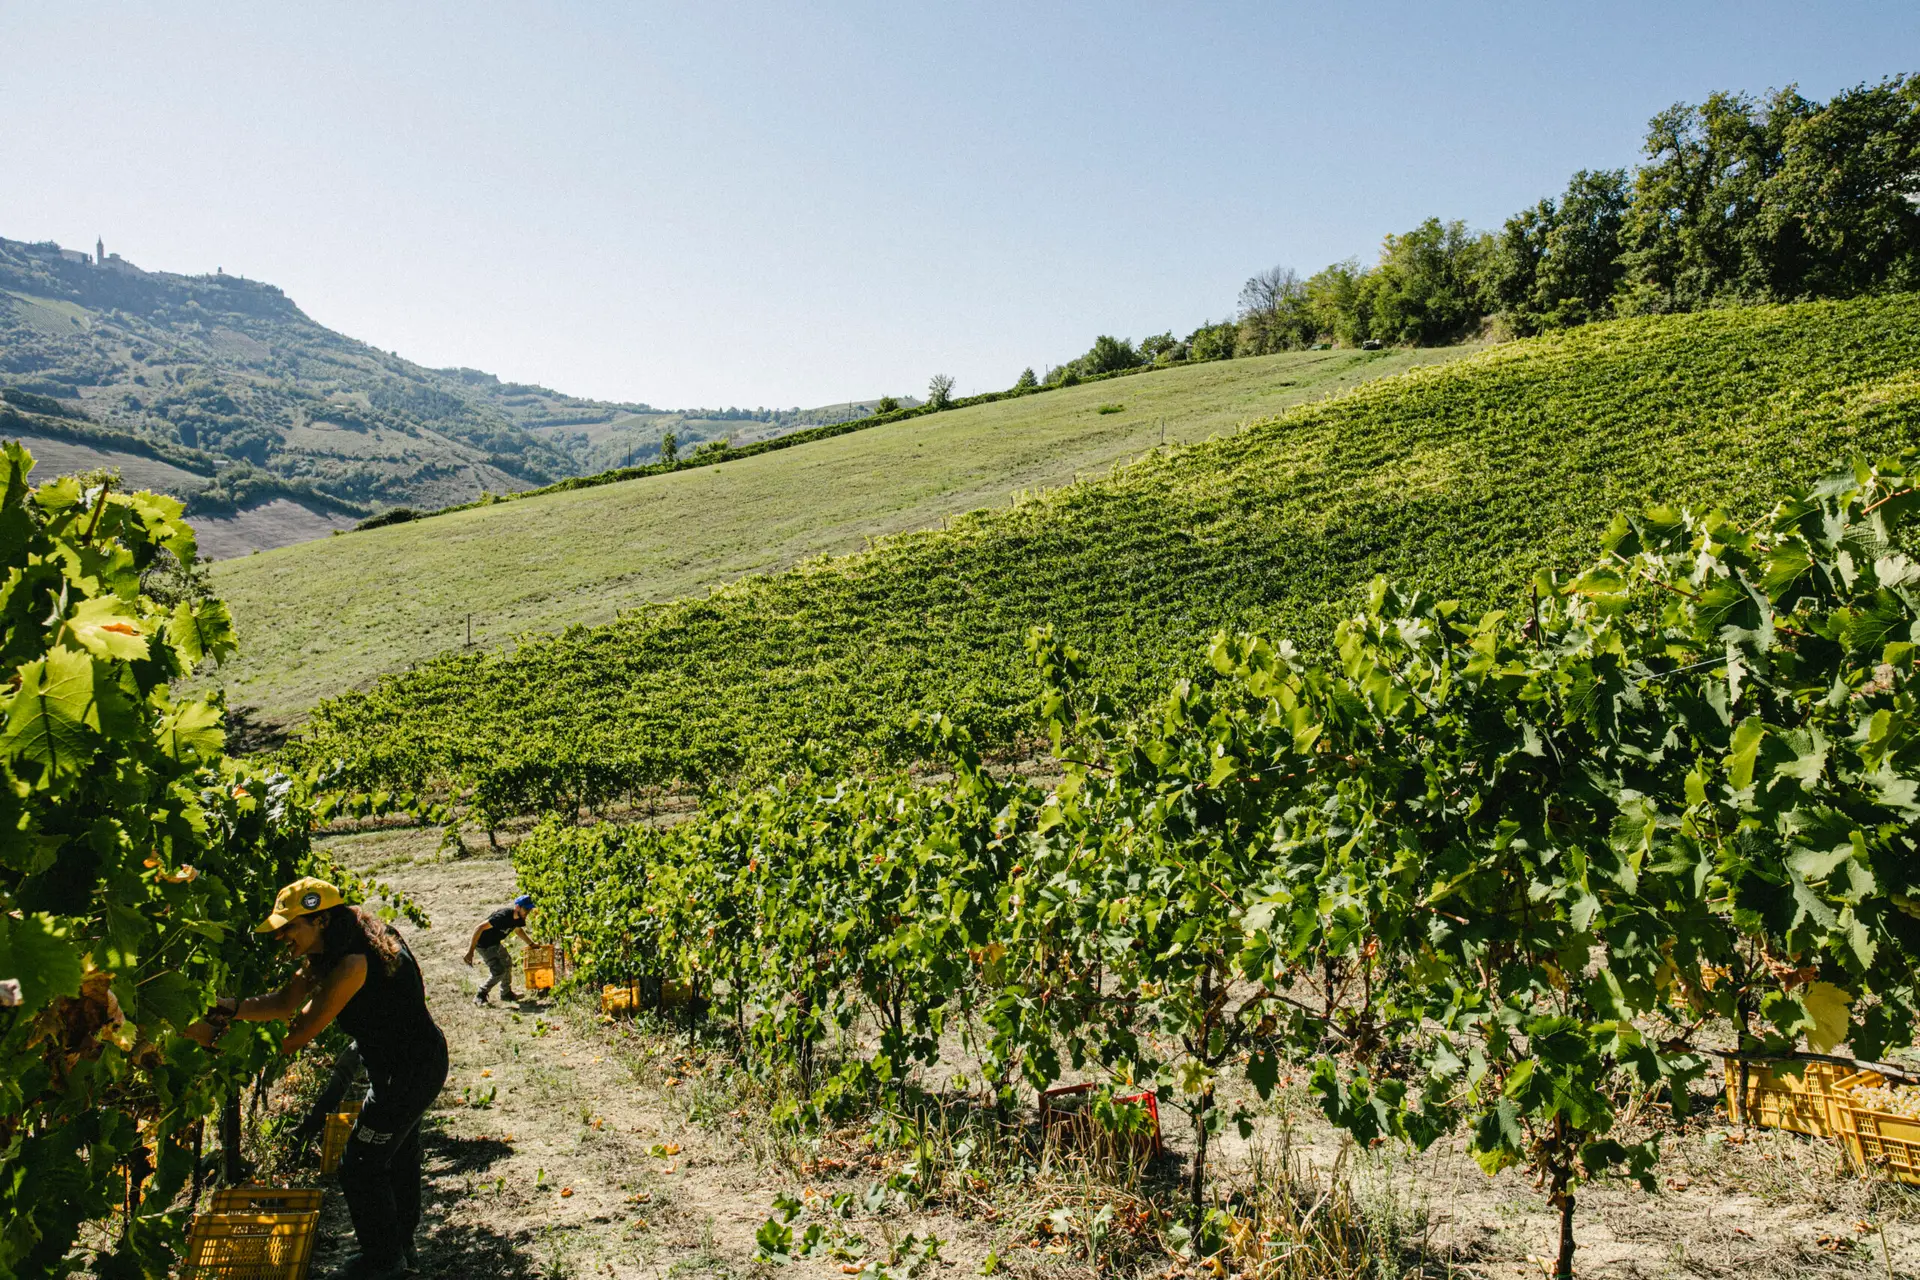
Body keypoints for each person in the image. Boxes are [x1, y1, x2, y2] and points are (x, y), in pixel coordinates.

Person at [195, 878, 448, 1280]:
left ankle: (383, 1263)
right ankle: (398, 1248)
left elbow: (294, 1035)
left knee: (360, 1166)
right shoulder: (339, 945)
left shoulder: (352, 964)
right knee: (396, 1156)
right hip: (405, 1066)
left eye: (289, 926)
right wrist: (234, 1008)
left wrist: (204, 1036)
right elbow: (283, 1002)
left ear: (322, 920)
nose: (281, 936)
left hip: (409, 1074)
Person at [464, 894, 533, 1006]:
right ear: (517, 907)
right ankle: (480, 995)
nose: (527, 912)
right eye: (526, 909)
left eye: (529, 909)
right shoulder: (503, 916)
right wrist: (470, 951)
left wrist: (531, 944)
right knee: (498, 971)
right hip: (484, 945)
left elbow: (518, 931)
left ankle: (506, 993)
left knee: (507, 963)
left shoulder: (519, 918)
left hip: (495, 943)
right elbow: (479, 928)